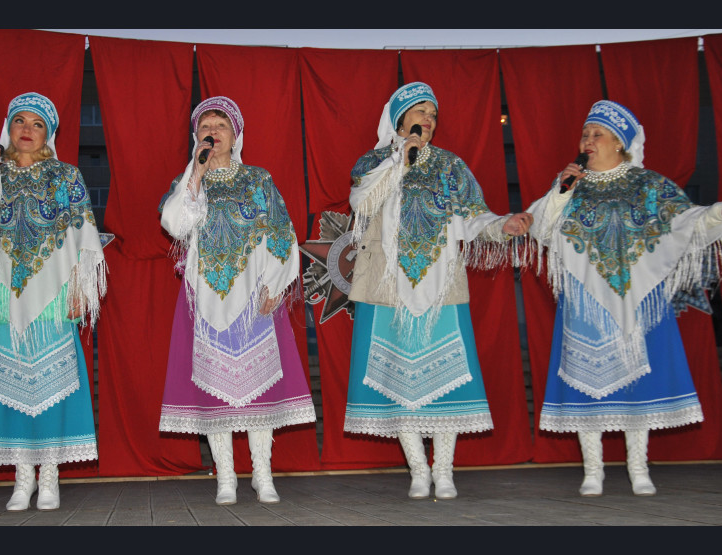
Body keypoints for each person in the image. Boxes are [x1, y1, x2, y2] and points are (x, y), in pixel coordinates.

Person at [525, 99, 722, 497]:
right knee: (584, 381)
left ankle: (638, 467)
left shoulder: (650, 185)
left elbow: (687, 222)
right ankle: (593, 470)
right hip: (584, 297)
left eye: (598, 134)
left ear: (620, 143)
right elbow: (539, 227)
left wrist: (721, 213)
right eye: (585, 133)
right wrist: (560, 191)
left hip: (639, 296)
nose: (588, 140)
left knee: (638, 381)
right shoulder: (570, 185)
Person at [344, 82, 533, 500]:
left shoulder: (450, 166)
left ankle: (444, 470)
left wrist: (502, 225)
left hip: (440, 286)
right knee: (395, 381)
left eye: (433, 114)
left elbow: (473, 217)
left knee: (446, 381)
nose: (428, 119)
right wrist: (399, 160)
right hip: (386, 289)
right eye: (420, 111)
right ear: (400, 118)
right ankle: (417, 469)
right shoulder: (373, 162)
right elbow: (362, 203)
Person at [158, 96, 316, 506]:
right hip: (206, 297)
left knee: (259, 390)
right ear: (196, 137)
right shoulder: (189, 181)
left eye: (221, 126)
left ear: (235, 135)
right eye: (205, 127)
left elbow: (282, 232)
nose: (213, 132)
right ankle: (225, 476)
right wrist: (195, 173)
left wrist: (277, 284)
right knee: (214, 389)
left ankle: (262, 474)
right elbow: (174, 223)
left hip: (254, 297)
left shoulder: (258, 179)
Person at [0, 92, 107, 511]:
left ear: (48, 133)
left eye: (37, 123)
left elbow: (83, 235)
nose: (27, 129)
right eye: (20, 121)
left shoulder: (66, 175)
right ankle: (23, 479)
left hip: (54, 296)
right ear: (8, 129)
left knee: (54, 388)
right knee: (12, 388)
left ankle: (50, 476)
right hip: (7, 295)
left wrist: (81, 289)